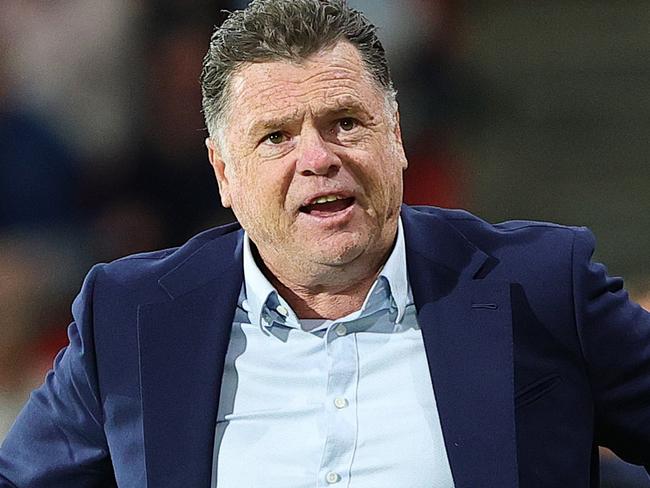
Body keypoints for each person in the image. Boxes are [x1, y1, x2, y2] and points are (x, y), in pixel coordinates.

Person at [1, 1, 649, 486]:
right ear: (224, 172)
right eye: (276, 136)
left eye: (345, 122)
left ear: (394, 136)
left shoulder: (537, 283)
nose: (318, 158)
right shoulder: (129, 317)